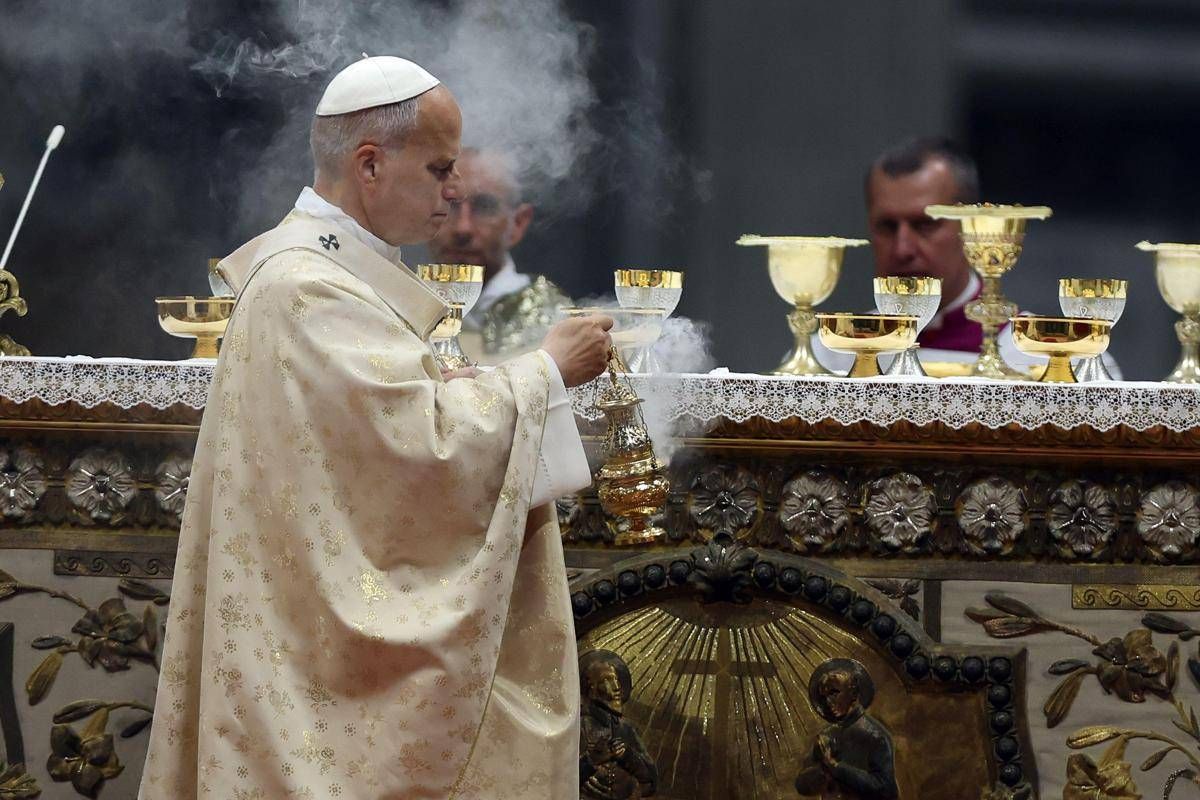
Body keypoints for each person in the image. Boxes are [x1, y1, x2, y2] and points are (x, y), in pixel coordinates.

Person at [138, 55, 613, 799]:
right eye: (440, 168)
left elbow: (379, 439)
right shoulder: (306, 287)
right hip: (307, 665)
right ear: (369, 164)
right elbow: (422, 451)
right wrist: (546, 372)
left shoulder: (336, 275)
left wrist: (459, 387)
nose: (455, 191)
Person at [814, 137, 1121, 378]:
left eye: (925, 224)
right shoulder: (836, 352)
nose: (903, 248)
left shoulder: (1051, 357)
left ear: (971, 224)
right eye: (887, 226)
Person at [428, 148, 569, 361]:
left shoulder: (554, 322)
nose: (463, 228)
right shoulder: (401, 310)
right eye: (449, 205)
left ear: (518, 223)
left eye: (484, 207)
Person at [794, 659, 897, 800]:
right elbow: (801, 786)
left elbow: (886, 790)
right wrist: (820, 768)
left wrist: (836, 767)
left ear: (853, 693)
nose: (828, 701)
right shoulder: (827, 735)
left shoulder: (875, 736)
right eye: (825, 696)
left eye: (834, 693)